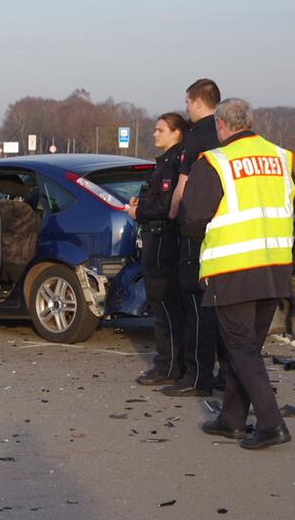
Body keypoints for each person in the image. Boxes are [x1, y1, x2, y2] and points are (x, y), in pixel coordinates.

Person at [181, 98, 295, 449]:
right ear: (250, 121)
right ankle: (232, 419)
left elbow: (193, 218)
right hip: (275, 268)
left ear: (221, 125)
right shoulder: (281, 156)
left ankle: (271, 424)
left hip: (233, 269)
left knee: (242, 349)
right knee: (245, 348)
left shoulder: (216, 161)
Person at [164, 78, 223, 397]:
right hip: (225, 231)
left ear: (198, 102)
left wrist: (173, 215)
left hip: (195, 229)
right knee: (221, 306)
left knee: (194, 304)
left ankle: (197, 376)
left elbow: (183, 185)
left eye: (188, 102)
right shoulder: (226, 135)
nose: (186, 107)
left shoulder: (196, 137)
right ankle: (226, 373)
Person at [126, 112, 188, 386]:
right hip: (159, 240)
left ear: (176, 133)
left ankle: (168, 365)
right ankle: (173, 363)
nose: (155, 134)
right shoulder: (167, 163)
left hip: (163, 242)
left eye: (160, 130)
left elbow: (165, 207)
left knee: (165, 306)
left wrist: (137, 211)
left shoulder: (173, 164)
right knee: (165, 306)